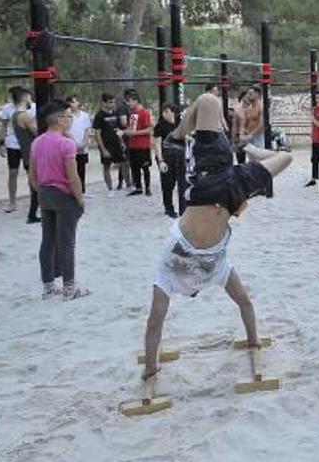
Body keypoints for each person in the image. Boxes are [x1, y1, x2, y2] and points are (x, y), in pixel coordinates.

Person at [140, 92, 293, 382]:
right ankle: (182, 132)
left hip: (202, 238)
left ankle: (253, 341)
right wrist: (251, 153)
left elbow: (285, 157)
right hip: (199, 238)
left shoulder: (241, 179)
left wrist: (247, 153)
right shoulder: (242, 180)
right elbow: (284, 156)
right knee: (239, 301)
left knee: (243, 301)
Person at [29, 100, 89, 301]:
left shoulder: (37, 142)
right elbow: (73, 177)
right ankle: (69, 288)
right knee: (67, 243)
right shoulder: (66, 143)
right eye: (67, 116)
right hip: (64, 196)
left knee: (48, 241)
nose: (70, 119)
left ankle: (48, 287)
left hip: (45, 194)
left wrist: (42, 191)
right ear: (58, 119)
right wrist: (79, 198)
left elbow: (33, 174)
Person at [0, 87, 35, 213]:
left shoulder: (33, 107)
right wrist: (1, 143)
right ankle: (12, 202)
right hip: (13, 145)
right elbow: (3, 126)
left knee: (31, 173)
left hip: (28, 145)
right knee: (12, 173)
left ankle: (34, 201)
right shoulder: (7, 108)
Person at [92, 93, 128, 197]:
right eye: (110, 102)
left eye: (114, 102)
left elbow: (119, 129)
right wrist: (103, 149)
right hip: (106, 145)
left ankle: (128, 185)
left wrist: (122, 142)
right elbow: (97, 134)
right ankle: (110, 189)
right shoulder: (99, 116)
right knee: (107, 166)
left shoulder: (115, 113)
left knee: (124, 163)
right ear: (104, 103)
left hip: (117, 143)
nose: (113, 104)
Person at [153, 103, 184, 218]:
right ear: (165, 112)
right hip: (165, 157)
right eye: (172, 112)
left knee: (176, 182)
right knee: (167, 183)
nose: (174, 115)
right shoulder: (159, 126)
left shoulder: (178, 124)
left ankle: (175, 207)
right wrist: (161, 160)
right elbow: (156, 144)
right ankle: (168, 208)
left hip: (177, 157)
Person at [12, 99, 41, 223]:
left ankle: (32, 214)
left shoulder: (15, 115)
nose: (31, 101)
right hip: (32, 155)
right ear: (24, 98)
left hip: (27, 154)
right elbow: (38, 133)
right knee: (37, 185)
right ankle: (32, 214)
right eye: (29, 97)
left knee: (34, 185)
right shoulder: (24, 116)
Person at [124, 90, 154, 196]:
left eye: (130, 101)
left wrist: (134, 132)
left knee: (145, 167)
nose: (129, 103)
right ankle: (138, 187)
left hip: (143, 145)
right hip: (133, 145)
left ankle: (148, 188)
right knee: (134, 167)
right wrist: (125, 131)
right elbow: (131, 128)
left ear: (136, 101)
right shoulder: (133, 114)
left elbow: (149, 129)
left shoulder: (144, 112)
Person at [67, 95, 92, 196]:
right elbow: (66, 130)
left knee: (82, 168)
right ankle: (72, 190)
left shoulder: (84, 115)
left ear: (78, 103)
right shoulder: (68, 116)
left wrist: (84, 143)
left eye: (73, 102)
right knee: (72, 169)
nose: (72, 105)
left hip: (82, 146)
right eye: (70, 103)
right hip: (71, 146)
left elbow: (87, 130)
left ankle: (82, 190)